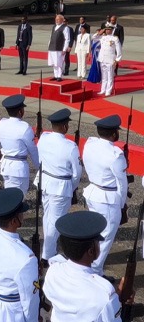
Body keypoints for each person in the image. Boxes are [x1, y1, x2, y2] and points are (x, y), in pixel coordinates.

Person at [44, 211, 123, 321]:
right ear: (91, 251)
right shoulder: (105, 293)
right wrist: (118, 300)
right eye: (97, 242)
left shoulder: (53, 271)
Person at [0, 187, 39, 322]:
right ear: (13, 221)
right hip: (10, 312)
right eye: (20, 214)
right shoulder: (25, 258)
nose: (23, 215)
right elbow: (30, 300)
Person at [34, 108, 81, 265]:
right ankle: (47, 256)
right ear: (65, 126)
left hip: (45, 183)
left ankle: (49, 249)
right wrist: (70, 188)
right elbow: (77, 174)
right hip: (60, 188)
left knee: (48, 217)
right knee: (55, 221)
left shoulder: (44, 138)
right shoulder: (71, 146)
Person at [82, 115, 128, 276]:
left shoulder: (90, 144)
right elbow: (122, 183)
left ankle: (91, 266)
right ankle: (94, 271)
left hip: (93, 192)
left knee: (94, 232)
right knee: (106, 236)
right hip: (108, 199)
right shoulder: (115, 154)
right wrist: (121, 204)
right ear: (114, 134)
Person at [0, 94, 39, 195]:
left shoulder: (1, 123)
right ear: (20, 111)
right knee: (17, 198)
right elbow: (33, 151)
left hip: (5, 166)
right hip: (18, 169)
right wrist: (40, 167)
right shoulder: (25, 127)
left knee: (9, 196)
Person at [93, 26, 122, 96]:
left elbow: (119, 49)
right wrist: (99, 33)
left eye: (109, 29)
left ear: (112, 30)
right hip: (102, 59)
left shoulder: (115, 38)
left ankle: (108, 91)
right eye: (106, 29)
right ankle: (103, 90)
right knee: (104, 76)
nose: (107, 31)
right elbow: (94, 38)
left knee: (110, 76)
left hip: (110, 59)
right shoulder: (103, 37)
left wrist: (117, 60)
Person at [47, 14, 69, 81]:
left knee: (59, 62)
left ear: (62, 20)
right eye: (56, 19)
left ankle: (59, 76)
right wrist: (49, 45)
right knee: (54, 62)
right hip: (52, 47)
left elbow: (67, 39)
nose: (56, 20)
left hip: (59, 48)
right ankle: (55, 75)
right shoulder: (54, 27)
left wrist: (64, 49)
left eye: (58, 19)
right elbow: (51, 36)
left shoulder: (65, 28)